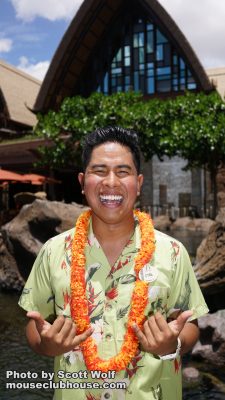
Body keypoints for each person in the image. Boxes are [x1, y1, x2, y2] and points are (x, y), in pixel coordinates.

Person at [19, 126, 208, 400]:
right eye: (99, 171)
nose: (111, 182)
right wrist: (46, 345)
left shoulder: (173, 252)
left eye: (122, 172)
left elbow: (190, 323)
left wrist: (172, 343)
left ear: (139, 183)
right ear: (83, 182)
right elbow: (33, 322)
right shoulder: (53, 251)